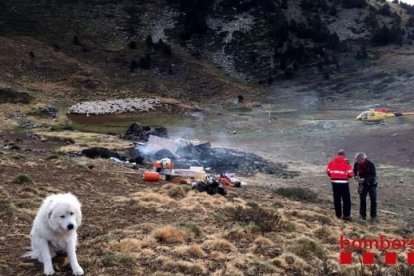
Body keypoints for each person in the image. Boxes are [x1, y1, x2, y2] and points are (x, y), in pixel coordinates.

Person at [325, 150, 354, 220]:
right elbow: (351, 174)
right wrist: (346, 177)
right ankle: (346, 215)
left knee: (336, 198)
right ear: (344, 155)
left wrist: (333, 177)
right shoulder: (346, 163)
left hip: (334, 182)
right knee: (346, 199)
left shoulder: (331, 162)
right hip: (344, 183)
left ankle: (338, 215)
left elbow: (328, 171)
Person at [353, 152, 377, 221]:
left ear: (363, 159)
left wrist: (365, 179)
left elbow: (373, 175)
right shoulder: (356, 164)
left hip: (371, 184)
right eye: (357, 160)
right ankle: (362, 215)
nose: (358, 162)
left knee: (373, 200)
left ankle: (373, 216)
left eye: (359, 160)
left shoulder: (371, 164)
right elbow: (354, 172)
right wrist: (356, 177)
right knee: (362, 199)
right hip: (362, 184)